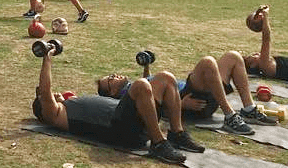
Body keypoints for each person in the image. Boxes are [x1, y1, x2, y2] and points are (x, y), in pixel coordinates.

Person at [33, 45, 204, 164]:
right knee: (141, 85)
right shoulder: (54, 114)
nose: (54, 94)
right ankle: (158, 143)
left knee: (166, 78)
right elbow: (46, 92)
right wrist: (47, 58)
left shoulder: (72, 102)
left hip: (132, 118)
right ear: (43, 107)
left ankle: (177, 133)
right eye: (44, 97)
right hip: (119, 129)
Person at [102, 52, 277, 136]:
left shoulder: (134, 86)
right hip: (188, 100)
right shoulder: (128, 98)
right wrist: (179, 105)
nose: (114, 75)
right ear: (113, 92)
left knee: (234, 57)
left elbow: (151, 86)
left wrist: (146, 66)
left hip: (197, 93)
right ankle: (230, 116)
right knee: (207, 63)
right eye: (110, 79)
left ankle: (248, 109)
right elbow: (149, 109)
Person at [243, 5, 288, 81]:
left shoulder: (270, 64)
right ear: (253, 65)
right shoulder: (265, 66)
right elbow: (266, 38)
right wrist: (265, 17)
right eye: (253, 56)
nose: (257, 53)